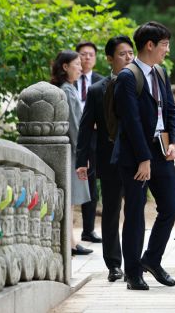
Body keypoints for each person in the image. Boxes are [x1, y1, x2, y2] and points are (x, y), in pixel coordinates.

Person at [111, 21, 175, 291]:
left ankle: (151, 259)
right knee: (136, 214)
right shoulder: (128, 76)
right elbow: (131, 121)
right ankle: (132, 273)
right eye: (164, 44)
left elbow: (171, 111)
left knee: (171, 206)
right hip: (135, 155)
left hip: (161, 151)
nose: (167, 49)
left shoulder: (161, 73)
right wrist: (143, 158)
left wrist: (174, 140)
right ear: (149, 45)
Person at [75, 35, 135, 281]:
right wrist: (81, 160)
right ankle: (114, 263)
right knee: (111, 211)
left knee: (134, 210)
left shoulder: (139, 84)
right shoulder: (97, 89)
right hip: (109, 157)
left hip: (136, 157)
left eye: (131, 53)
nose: (129, 58)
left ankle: (135, 260)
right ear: (110, 59)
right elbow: (86, 125)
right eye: (123, 54)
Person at [50, 50, 93, 256]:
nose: (80, 67)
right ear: (65, 67)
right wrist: (82, 153)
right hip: (73, 150)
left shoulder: (67, 88)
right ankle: (70, 242)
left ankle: (72, 241)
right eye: (76, 64)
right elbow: (75, 125)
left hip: (72, 149)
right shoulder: (67, 91)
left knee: (71, 198)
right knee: (70, 197)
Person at [76, 41, 104, 245]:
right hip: (72, 136)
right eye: (83, 54)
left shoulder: (100, 82)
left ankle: (88, 229)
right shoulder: (67, 83)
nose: (86, 58)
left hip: (94, 139)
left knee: (91, 181)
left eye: (90, 55)